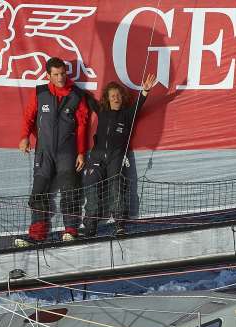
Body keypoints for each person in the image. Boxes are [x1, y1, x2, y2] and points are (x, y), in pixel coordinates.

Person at [18, 57, 88, 243]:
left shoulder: (77, 95)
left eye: (63, 73)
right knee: (38, 191)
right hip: (44, 151)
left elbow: (82, 125)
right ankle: (37, 234)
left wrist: (81, 152)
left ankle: (71, 231)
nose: (60, 77)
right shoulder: (40, 93)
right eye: (56, 74)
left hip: (67, 151)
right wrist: (24, 137)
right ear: (48, 75)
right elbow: (28, 117)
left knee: (70, 189)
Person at [82, 74, 157, 236]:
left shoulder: (127, 114)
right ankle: (90, 226)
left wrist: (145, 91)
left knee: (116, 188)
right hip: (97, 157)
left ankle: (120, 225)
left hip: (116, 157)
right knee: (92, 189)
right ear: (107, 99)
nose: (116, 98)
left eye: (118, 96)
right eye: (112, 96)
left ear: (122, 98)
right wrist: (72, 87)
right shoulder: (101, 111)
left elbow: (139, 104)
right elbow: (87, 99)